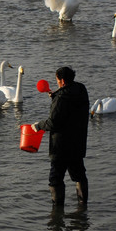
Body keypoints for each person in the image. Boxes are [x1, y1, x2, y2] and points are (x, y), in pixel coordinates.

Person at [31, 66, 89, 207]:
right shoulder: (81, 90)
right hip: (78, 142)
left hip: (61, 147)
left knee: (55, 179)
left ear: (62, 81)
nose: (56, 83)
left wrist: (38, 125)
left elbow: (53, 123)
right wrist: (56, 95)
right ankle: (82, 207)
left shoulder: (62, 98)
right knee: (79, 175)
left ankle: (57, 212)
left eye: (57, 80)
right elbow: (69, 103)